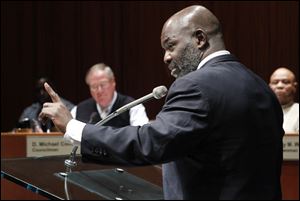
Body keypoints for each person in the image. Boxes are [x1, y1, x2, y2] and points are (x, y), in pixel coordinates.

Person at [39, 5, 284, 199]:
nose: (166, 58)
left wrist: (73, 127)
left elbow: (151, 142)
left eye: (171, 46)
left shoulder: (196, 85)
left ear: (200, 38)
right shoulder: (260, 86)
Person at [70, 63, 149, 126]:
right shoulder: (78, 110)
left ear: (113, 82)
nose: (99, 91)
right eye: (94, 86)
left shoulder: (133, 106)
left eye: (103, 84)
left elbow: (142, 137)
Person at [269, 67, 299, 133]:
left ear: (294, 87)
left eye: (285, 82)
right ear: (269, 87)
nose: (279, 86)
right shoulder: (261, 111)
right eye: (275, 82)